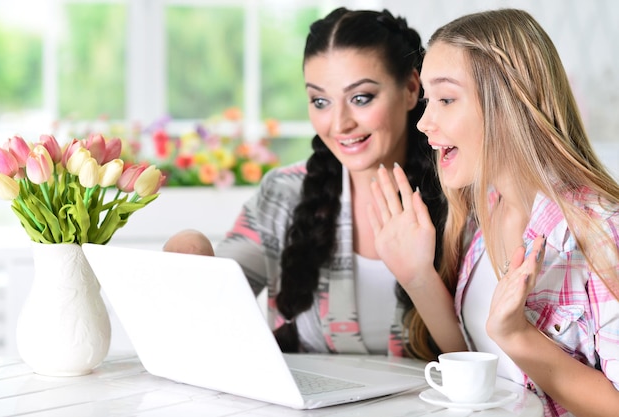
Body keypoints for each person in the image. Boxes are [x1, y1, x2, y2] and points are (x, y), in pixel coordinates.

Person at [368, 8, 619, 416]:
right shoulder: (482, 211)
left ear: (509, 103)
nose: (424, 123)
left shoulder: (603, 231)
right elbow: (481, 367)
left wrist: (518, 335)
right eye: (429, 101)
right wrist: (417, 276)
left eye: (446, 99)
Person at [163, 8, 448, 359]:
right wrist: (190, 252)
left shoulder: (460, 197)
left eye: (361, 98)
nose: (339, 123)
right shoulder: (284, 193)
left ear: (410, 88)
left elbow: (486, 359)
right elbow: (216, 303)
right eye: (320, 101)